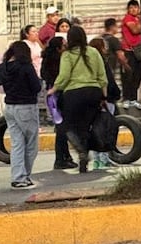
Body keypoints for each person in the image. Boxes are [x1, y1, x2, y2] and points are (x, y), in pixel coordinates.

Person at [47, 25, 107, 173]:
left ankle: (81, 150)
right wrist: (103, 96)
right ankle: (84, 158)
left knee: (67, 126)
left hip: (73, 95)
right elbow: (102, 76)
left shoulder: (67, 55)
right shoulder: (93, 52)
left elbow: (64, 76)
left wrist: (53, 89)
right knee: (86, 126)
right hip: (93, 93)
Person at [0, 41, 42, 188]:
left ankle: (17, 177)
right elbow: (36, 87)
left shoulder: (2, 68)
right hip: (26, 107)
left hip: (9, 107)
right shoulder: (26, 67)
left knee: (17, 144)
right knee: (31, 145)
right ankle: (24, 176)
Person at [42, 36, 76, 170]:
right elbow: (63, 77)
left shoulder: (47, 60)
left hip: (53, 96)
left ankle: (65, 156)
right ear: (58, 48)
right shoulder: (60, 61)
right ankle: (61, 158)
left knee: (61, 127)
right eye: (64, 45)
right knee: (62, 128)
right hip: (58, 95)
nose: (66, 46)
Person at [90, 37, 121, 169]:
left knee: (95, 129)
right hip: (106, 99)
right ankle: (104, 159)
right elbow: (108, 81)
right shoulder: (102, 62)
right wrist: (114, 94)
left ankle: (97, 159)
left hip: (92, 98)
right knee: (105, 129)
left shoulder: (88, 62)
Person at [120, 0, 141, 109]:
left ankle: (133, 99)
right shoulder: (128, 18)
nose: (134, 9)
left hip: (139, 51)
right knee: (128, 75)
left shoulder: (138, 19)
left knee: (137, 75)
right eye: (131, 7)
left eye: (136, 7)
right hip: (129, 50)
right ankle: (126, 98)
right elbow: (135, 30)